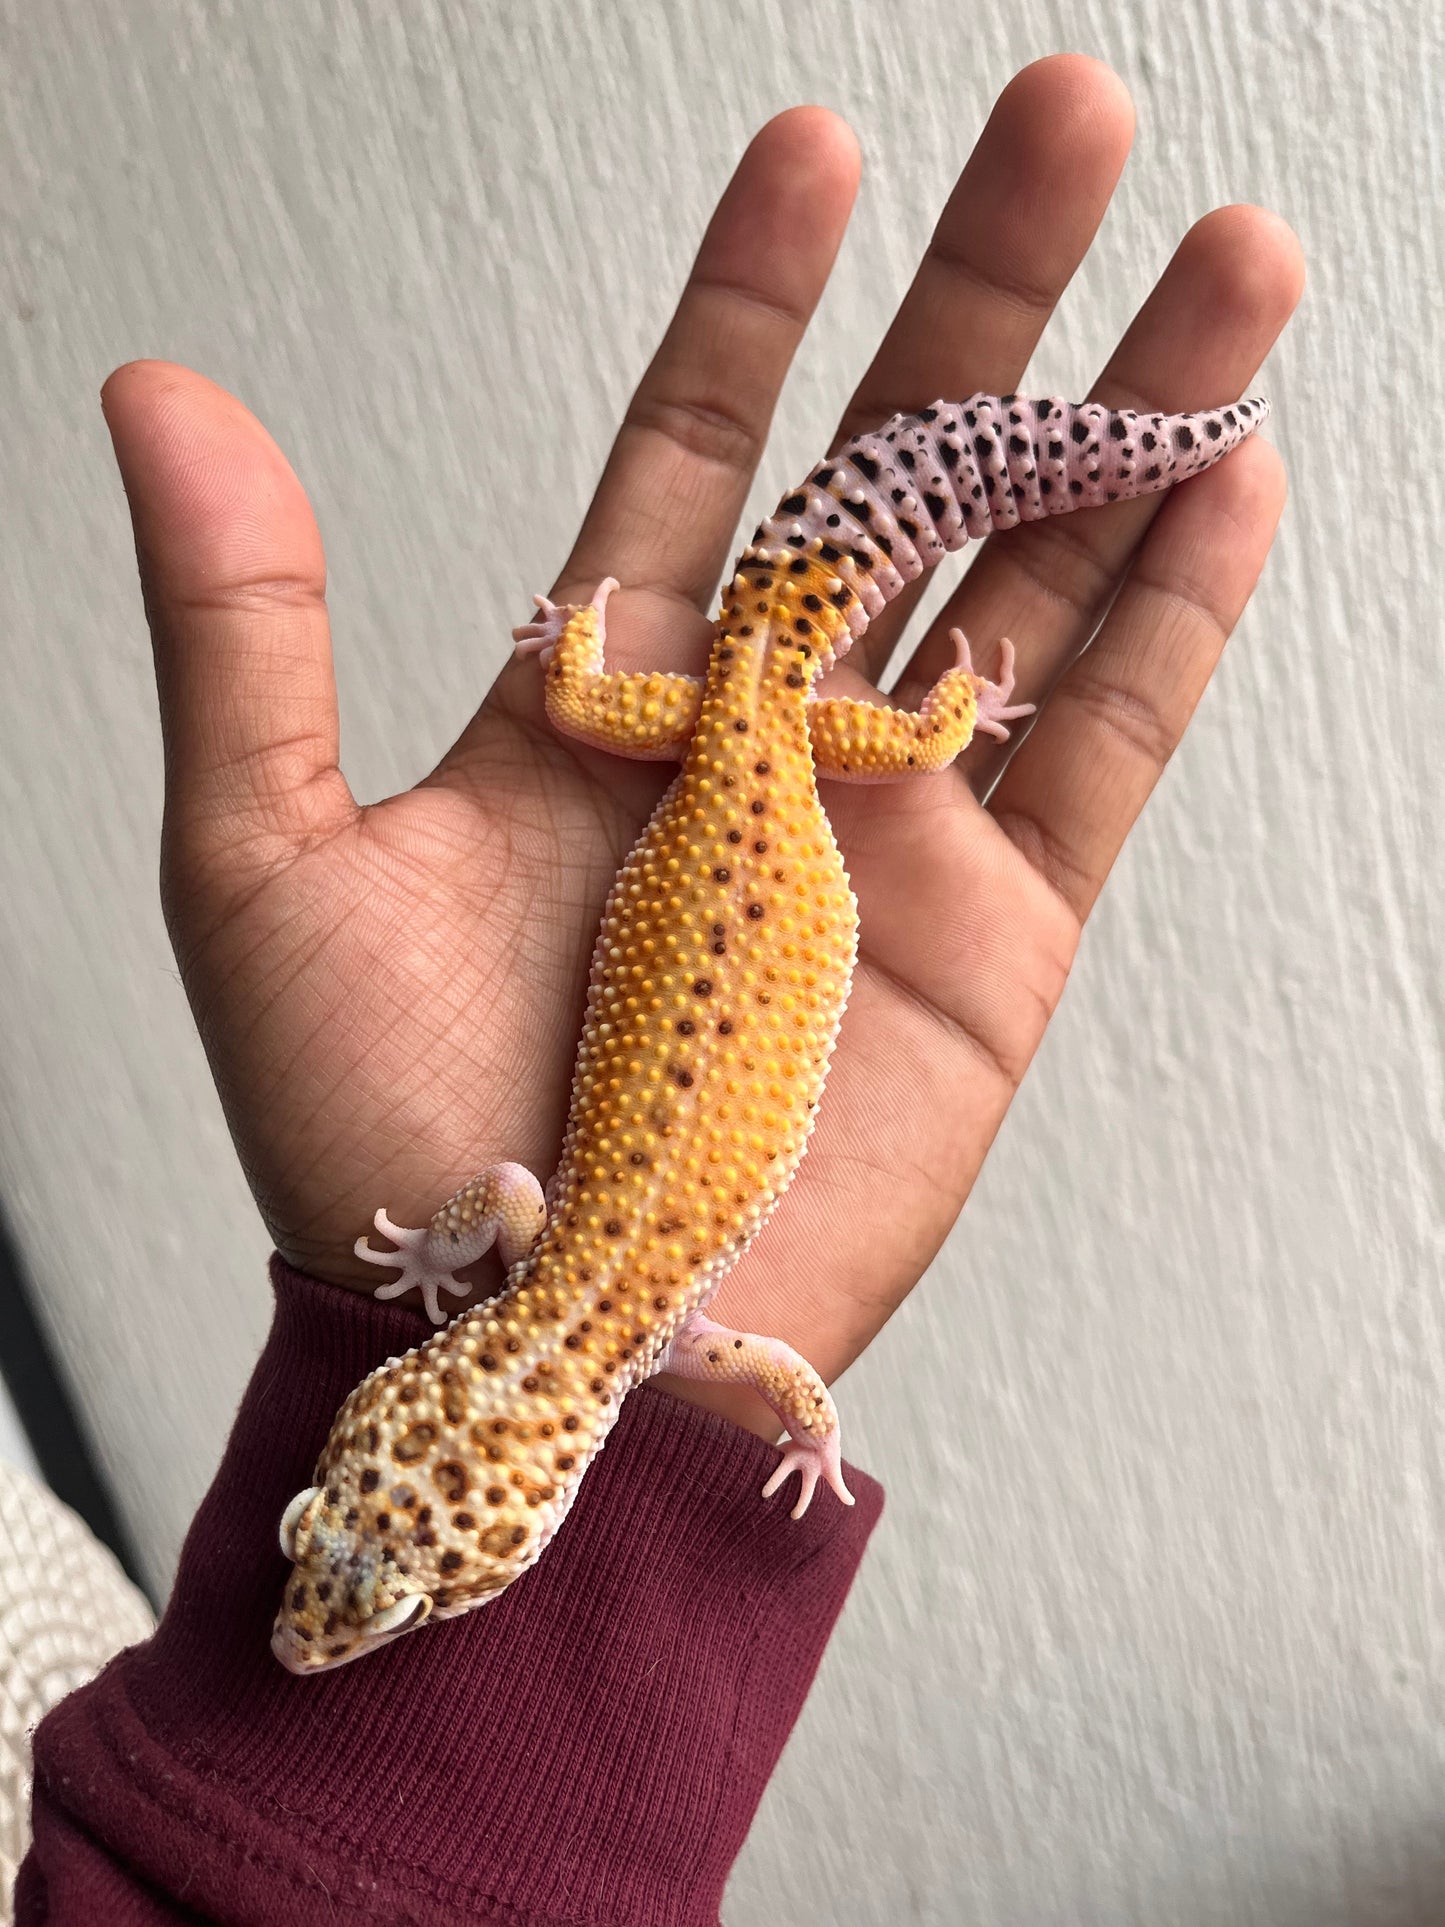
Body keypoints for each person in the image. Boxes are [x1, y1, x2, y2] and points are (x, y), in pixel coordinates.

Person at [17, 55, 1301, 1924]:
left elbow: (770, 1380)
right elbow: (512, 1211)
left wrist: (807, 1432)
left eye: (332, 1532)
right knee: (841, 641)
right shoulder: (530, 1251)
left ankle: (1104, 487)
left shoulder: (680, 1347)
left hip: (765, 752)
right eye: (393, 1575)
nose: (331, 1608)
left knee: (894, 654)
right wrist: (590, 674)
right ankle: (1080, 491)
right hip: (738, 740)